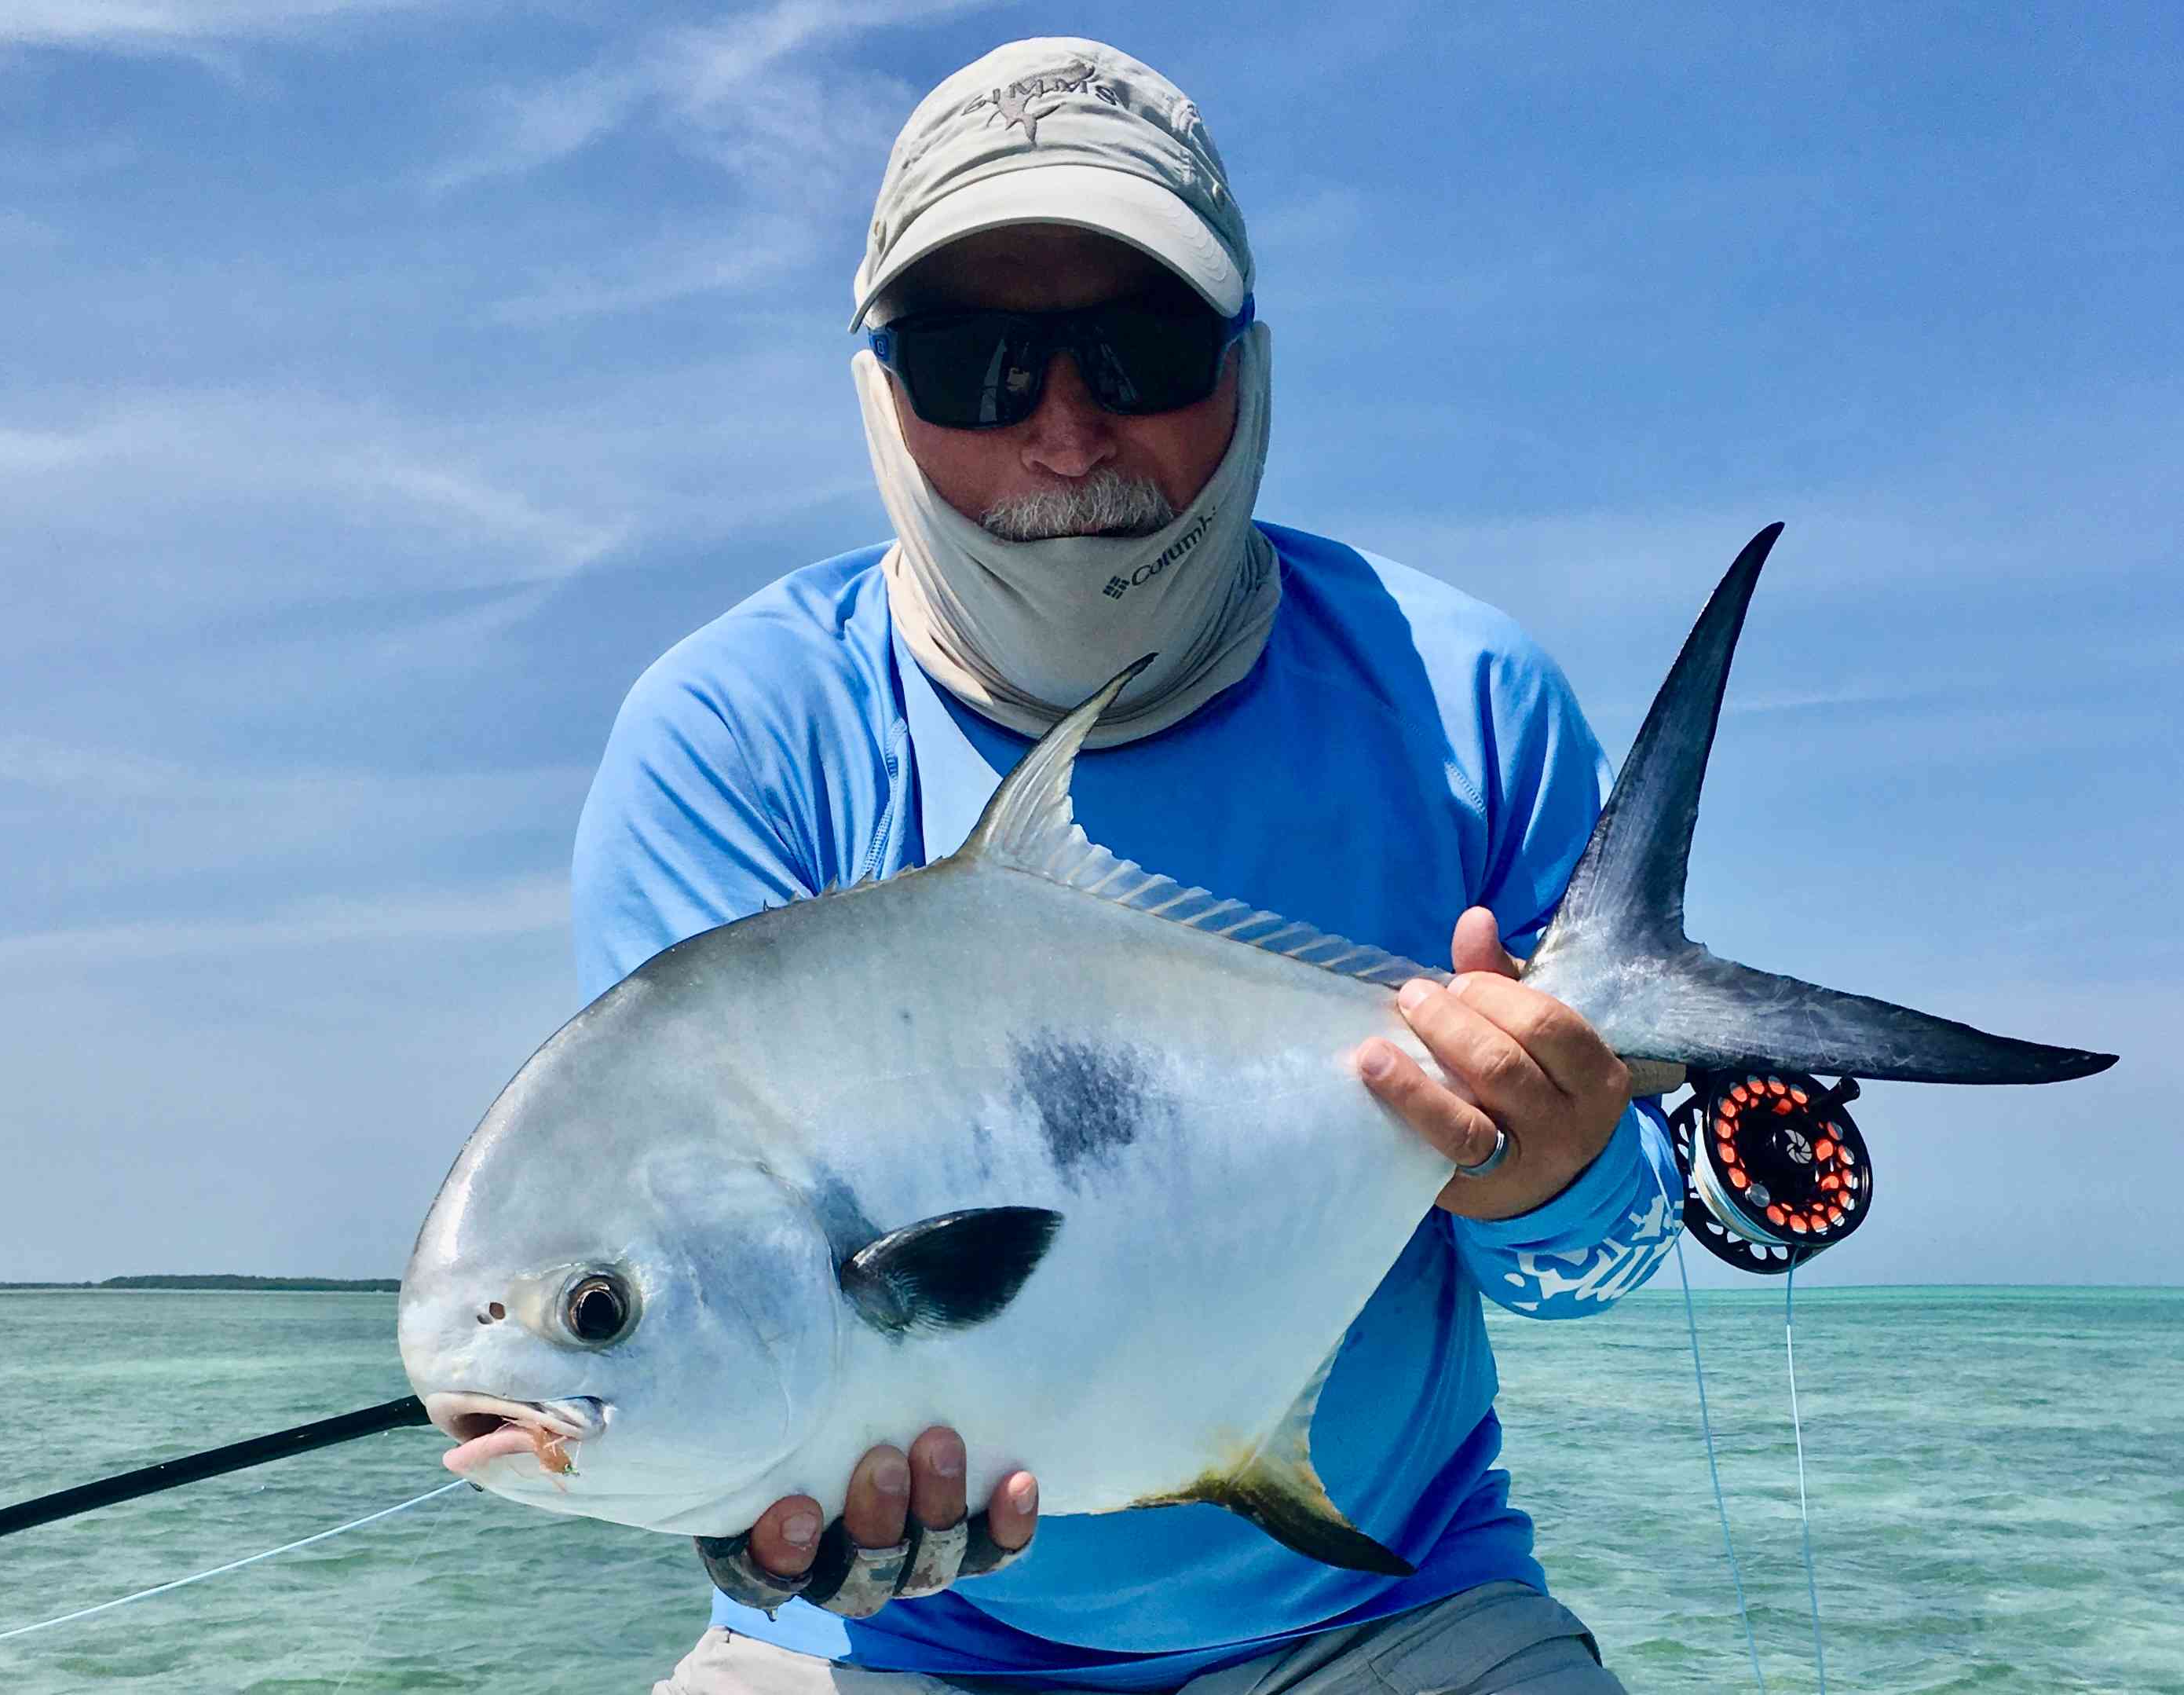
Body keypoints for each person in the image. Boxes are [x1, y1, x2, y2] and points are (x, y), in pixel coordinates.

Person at [573, 38, 1682, 1695]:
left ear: (1248, 364)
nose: (1070, 431)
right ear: (878, 384)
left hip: (1392, 1614)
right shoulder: (733, 740)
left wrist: (1552, 1175)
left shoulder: (1463, 698)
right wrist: (762, 1520)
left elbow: (1610, 1265)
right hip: (876, 1645)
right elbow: (709, 1285)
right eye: (973, 362)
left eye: (1144, 346)